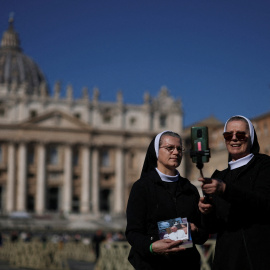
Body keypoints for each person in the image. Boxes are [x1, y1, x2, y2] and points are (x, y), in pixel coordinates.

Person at [125, 130, 208, 269]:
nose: (176, 152)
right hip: (152, 265)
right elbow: (133, 232)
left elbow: (202, 236)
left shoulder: (190, 189)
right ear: (156, 151)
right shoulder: (142, 187)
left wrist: (197, 229)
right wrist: (151, 246)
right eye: (170, 148)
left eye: (179, 148)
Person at [199, 115, 270, 270]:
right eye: (228, 135)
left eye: (240, 134)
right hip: (226, 259)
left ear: (250, 137)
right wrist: (207, 211)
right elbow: (212, 227)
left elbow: (263, 203)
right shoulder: (219, 176)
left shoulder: (264, 166)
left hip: (257, 257)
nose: (234, 139)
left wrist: (225, 190)